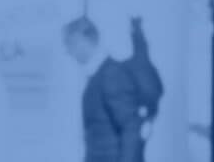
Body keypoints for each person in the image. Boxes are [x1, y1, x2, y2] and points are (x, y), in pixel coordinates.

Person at [63, 14, 161, 162]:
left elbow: (131, 127)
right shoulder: (99, 75)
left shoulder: (110, 74)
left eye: (69, 44)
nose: (68, 51)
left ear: (81, 40)